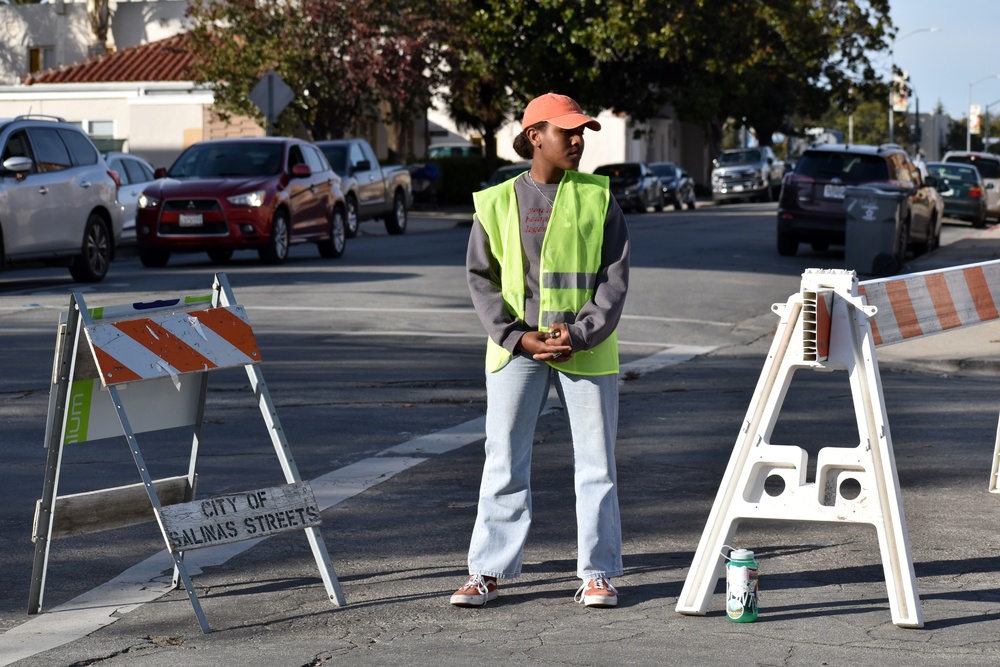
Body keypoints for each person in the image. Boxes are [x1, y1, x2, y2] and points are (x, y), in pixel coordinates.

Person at [452, 92, 630, 608]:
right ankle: (486, 570)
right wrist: (516, 335)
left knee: (597, 463)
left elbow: (613, 279)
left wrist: (580, 333)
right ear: (535, 136)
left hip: (586, 349)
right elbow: (480, 279)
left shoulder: (599, 198)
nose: (578, 141)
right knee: (504, 460)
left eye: (582, 133)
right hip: (515, 351)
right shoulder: (497, 201)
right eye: (567, 132)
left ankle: (597, 573)